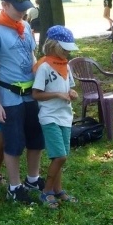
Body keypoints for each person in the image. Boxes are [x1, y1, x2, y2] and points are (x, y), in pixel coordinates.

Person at [0, 0, 44, 205]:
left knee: (36, 138)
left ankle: (33, 178)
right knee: (14, 142)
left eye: (24, 7)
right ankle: (14, 186)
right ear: (4, 5)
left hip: (31, 93)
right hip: (9, 95)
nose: (22, 12)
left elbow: (31, 55)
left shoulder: (25, 26)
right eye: (17, 7)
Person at [32, 26, 80, 209]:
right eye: (65, 48)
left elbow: (70, 88)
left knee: (62, 156)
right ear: (53, 45)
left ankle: (58, 190)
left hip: (65, 116)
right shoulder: (44, 67)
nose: (68, 51)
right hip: (49, 116)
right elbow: (36, 94)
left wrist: (72, 93)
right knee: (60, 156)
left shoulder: (66, 65)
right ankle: (46, 192)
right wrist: (57, 95)